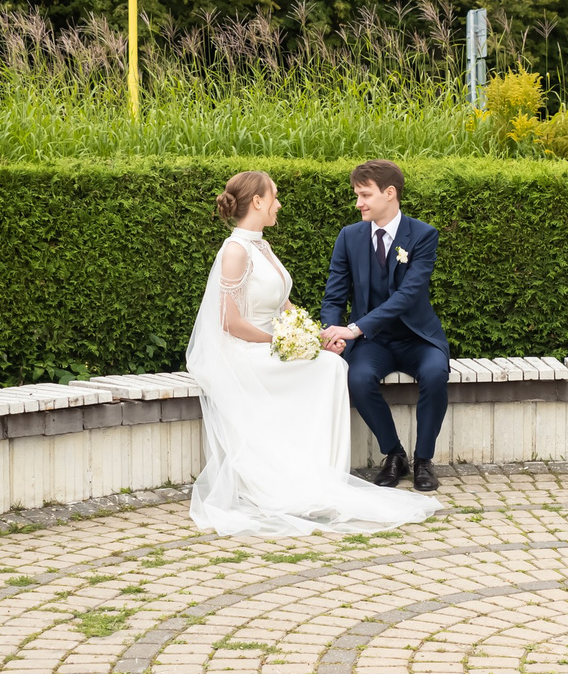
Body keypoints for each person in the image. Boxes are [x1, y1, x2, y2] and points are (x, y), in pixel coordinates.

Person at [183, 171, 441, 536]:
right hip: (246, 350)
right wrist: (285, 344)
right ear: (257, 201)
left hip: (282, 342)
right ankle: (314, 474)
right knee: (334, 370)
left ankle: (326, 471)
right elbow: (229, 321)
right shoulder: (236, 250)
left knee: (332, 365)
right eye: (274, 196)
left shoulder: (261, 246)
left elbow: (284, 305)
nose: (279, 203)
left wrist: (313, 336)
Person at [318, 159, 450, 492]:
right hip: (373, 343)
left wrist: (355, 328)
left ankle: (424, 461)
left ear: (389, 193)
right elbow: (334, 296)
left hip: (417, 338)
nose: (358, 202)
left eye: (364, 195)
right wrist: (333, 333)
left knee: (435, 373)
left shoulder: (422, 235)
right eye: (357, 195)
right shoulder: (349, 237)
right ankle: (394, 455)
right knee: (358, 378)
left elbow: (407, 295)